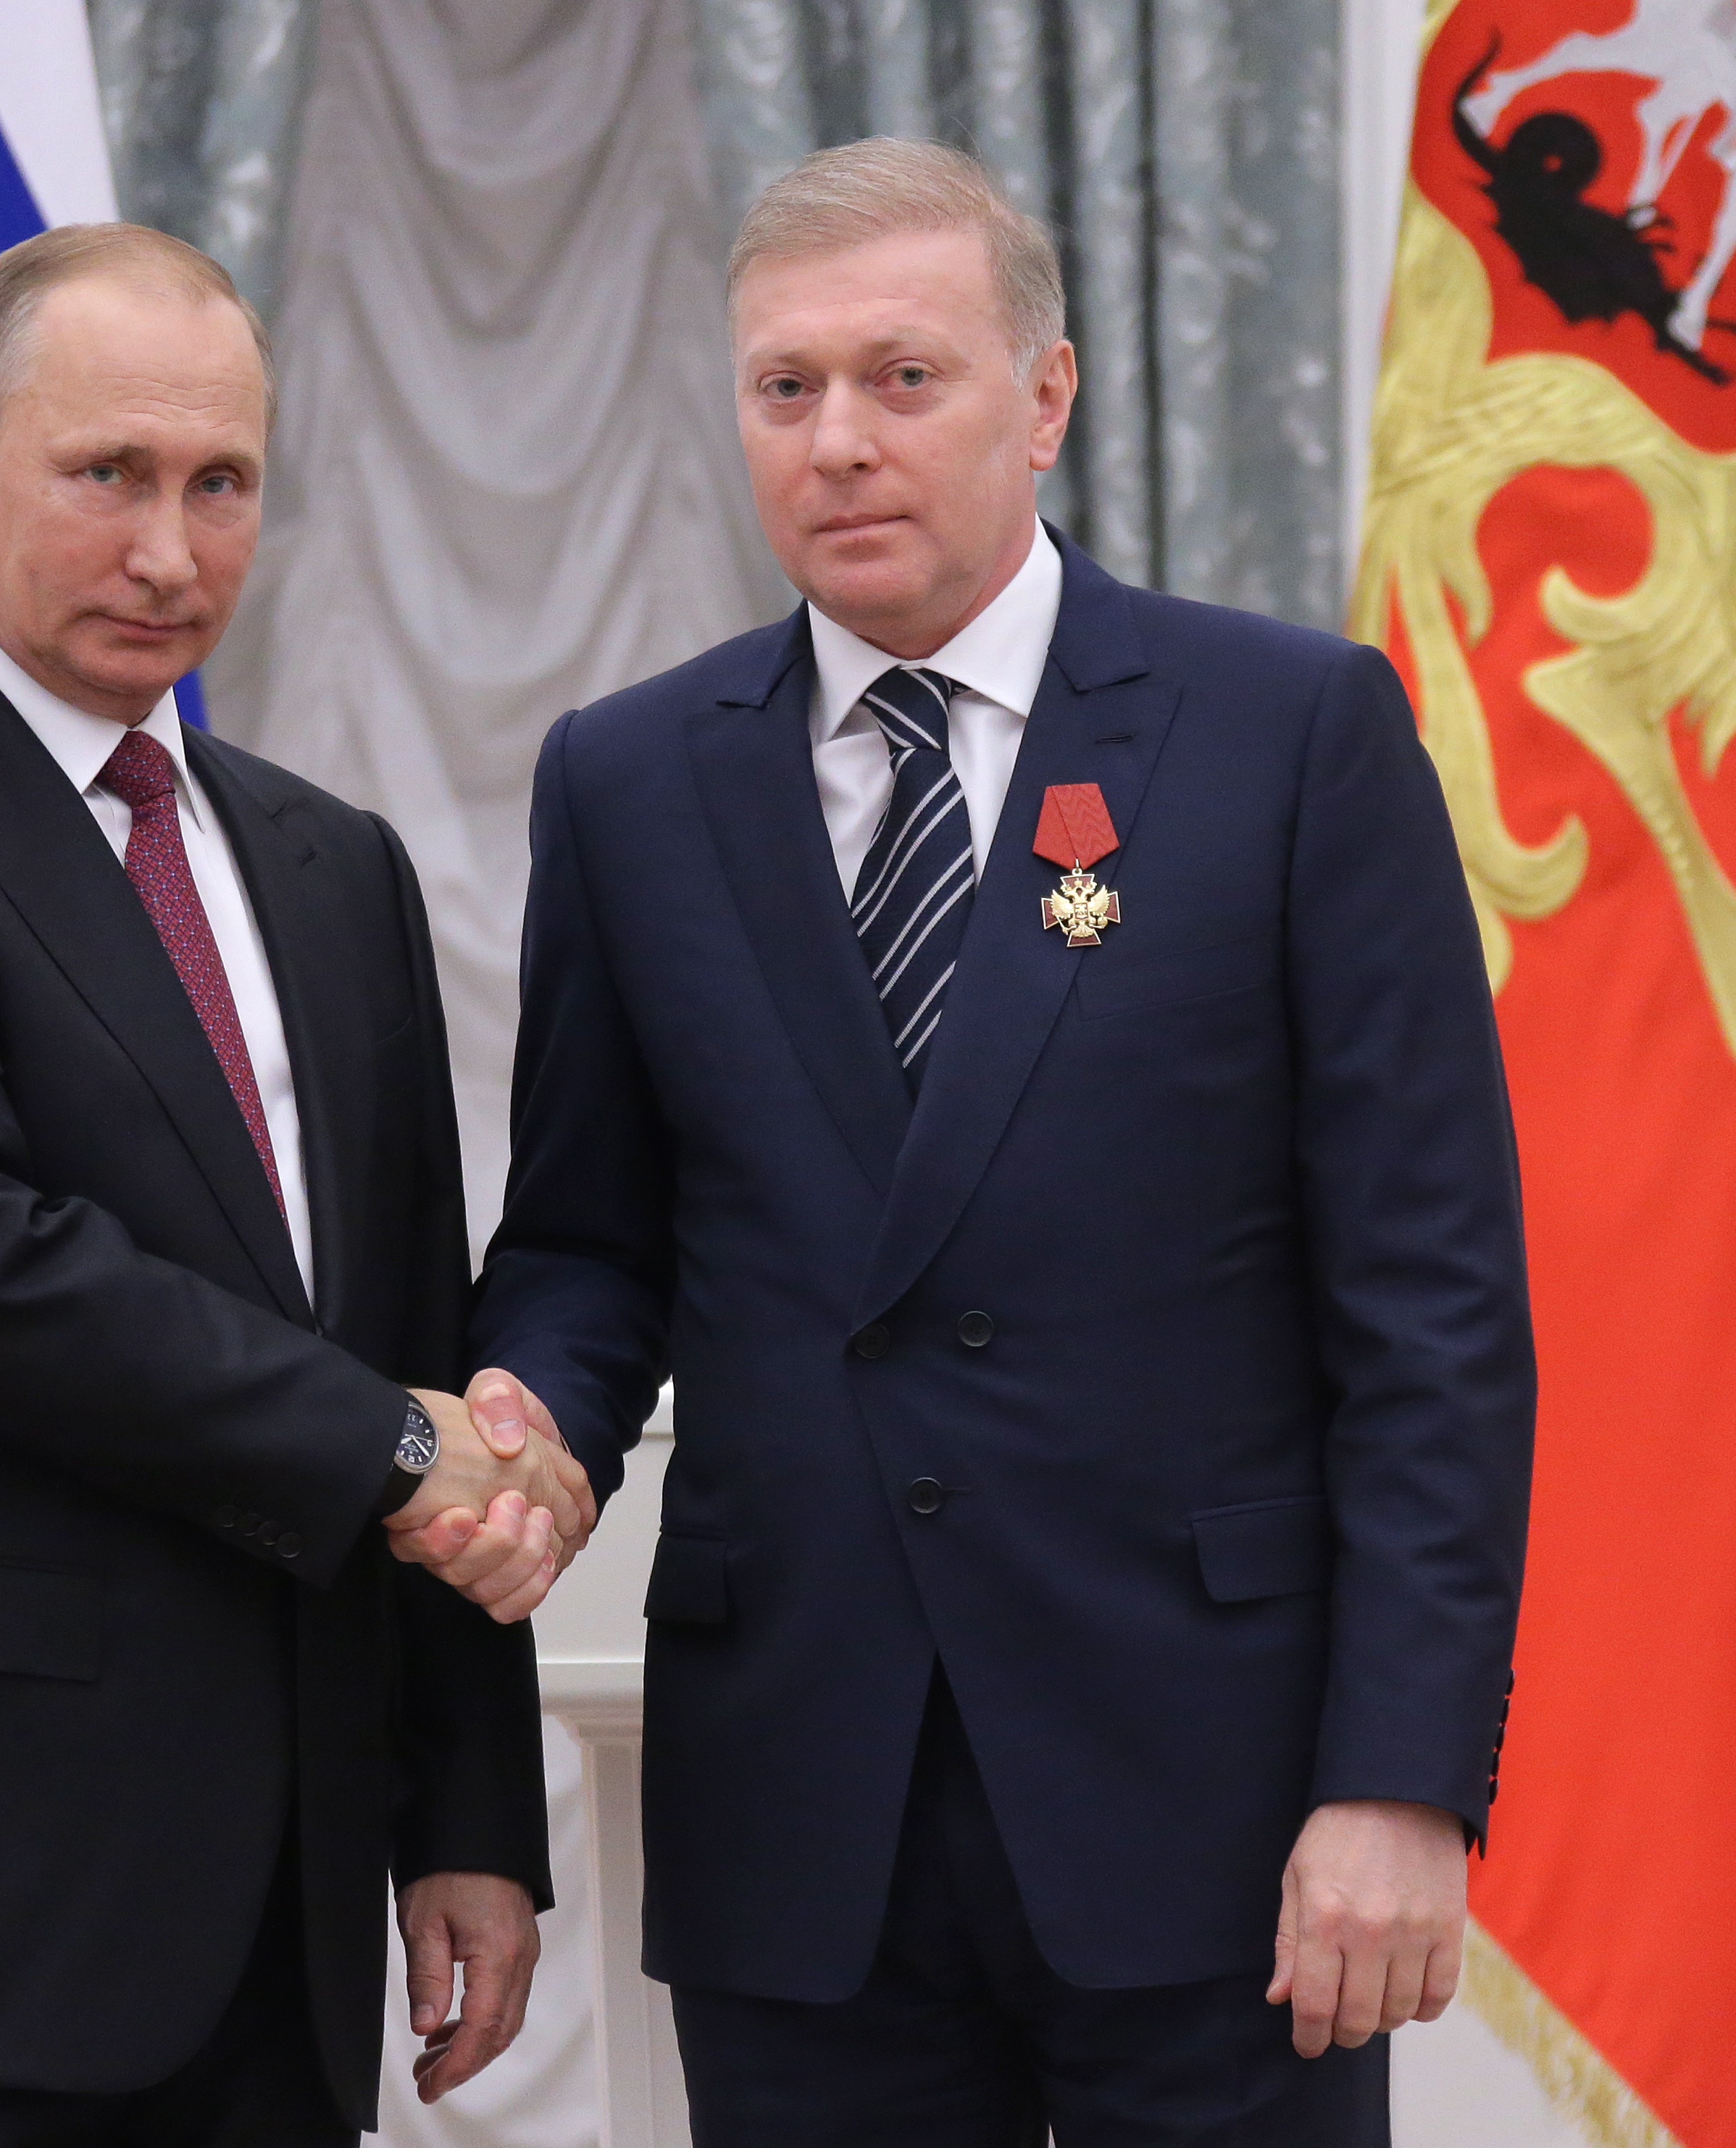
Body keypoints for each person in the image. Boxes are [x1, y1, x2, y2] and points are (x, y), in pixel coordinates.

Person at [464, 140, 1536, 2144]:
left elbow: (1434, 1313)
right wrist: (536, 1414)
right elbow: (593, 1242)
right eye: (786, 387)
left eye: (904, 377)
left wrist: (1400, 1777)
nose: (838, 441)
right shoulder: (629, 780)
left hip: (1214, 1814)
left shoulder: (1289, 735)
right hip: (804, 1814)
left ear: (1045, 398)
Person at [0, 222, 592, 2148]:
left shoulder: (334, 867)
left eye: (221, 483)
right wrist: (401, 1451)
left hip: (283, 1931)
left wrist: (469, 1819)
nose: (171, 553)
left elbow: (411, 1327)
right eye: (109, 474)